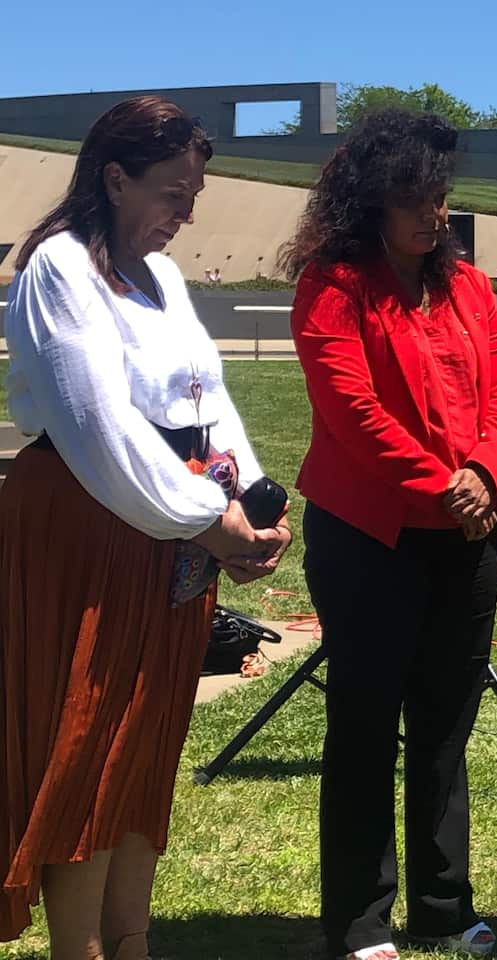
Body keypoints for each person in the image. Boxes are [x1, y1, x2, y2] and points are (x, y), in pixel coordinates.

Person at [0, 97, 292, 959]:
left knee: (146, 738)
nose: (187, 211)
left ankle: (131, 943)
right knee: (87, 739)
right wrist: (209, 522)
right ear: (115, 177)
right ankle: (79, 950)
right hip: (87, 524)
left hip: (170, 521)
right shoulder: (59, 268)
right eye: (174, 191)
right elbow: (99, 429)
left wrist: (247, 498)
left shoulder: (162, 278)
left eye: (195, 192)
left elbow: (209, 400)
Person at [279, 109, 497, 960]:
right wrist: (439, 484)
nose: (434, 215)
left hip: (470, 532)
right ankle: (359, 919)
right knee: (365, 722)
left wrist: (483, 476)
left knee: (448, 723)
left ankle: (444, 910)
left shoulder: (472, 287)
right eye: (414, 199)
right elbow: (351, 412)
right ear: (370, 203)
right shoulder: (333, 283)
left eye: (441, 197)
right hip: (367, 536)